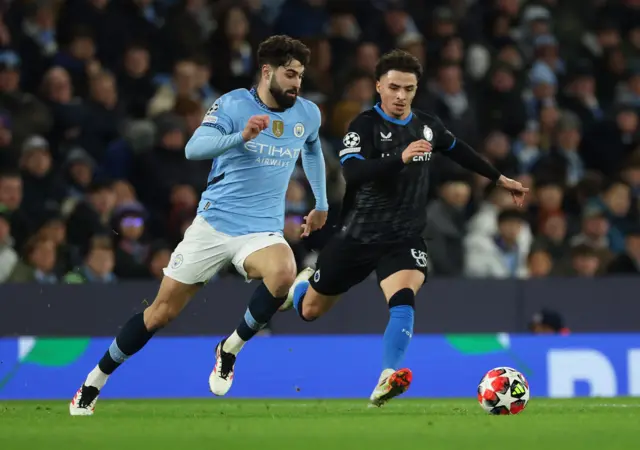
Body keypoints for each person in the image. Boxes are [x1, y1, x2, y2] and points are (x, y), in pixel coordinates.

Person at [70, 35, 329, 415]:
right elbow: (194, 148)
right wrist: (240, 136)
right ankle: (93, 382)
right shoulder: (233, 104)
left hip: (261, 230)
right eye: (290, 74)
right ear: (267, 71)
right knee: (160, 313)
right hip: (213, 226)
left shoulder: (307, 113)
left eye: (301, 76)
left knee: (284, 271)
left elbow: (312, 148)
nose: (296, 83)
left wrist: (321, 202)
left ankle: (229, 349)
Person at [280, 50, 528, 407]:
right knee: (310, 311)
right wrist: (400, 158)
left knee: (403, 298)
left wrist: (499, 177)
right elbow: (353, 173)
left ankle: (387, 376)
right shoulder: (364, 125)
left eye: (408, 89)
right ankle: (303, 286)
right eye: (393, 87)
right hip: (359, 234)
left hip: (405, 235)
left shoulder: (427, 126)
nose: (400, 95)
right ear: (379, 86)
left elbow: (458, 150)